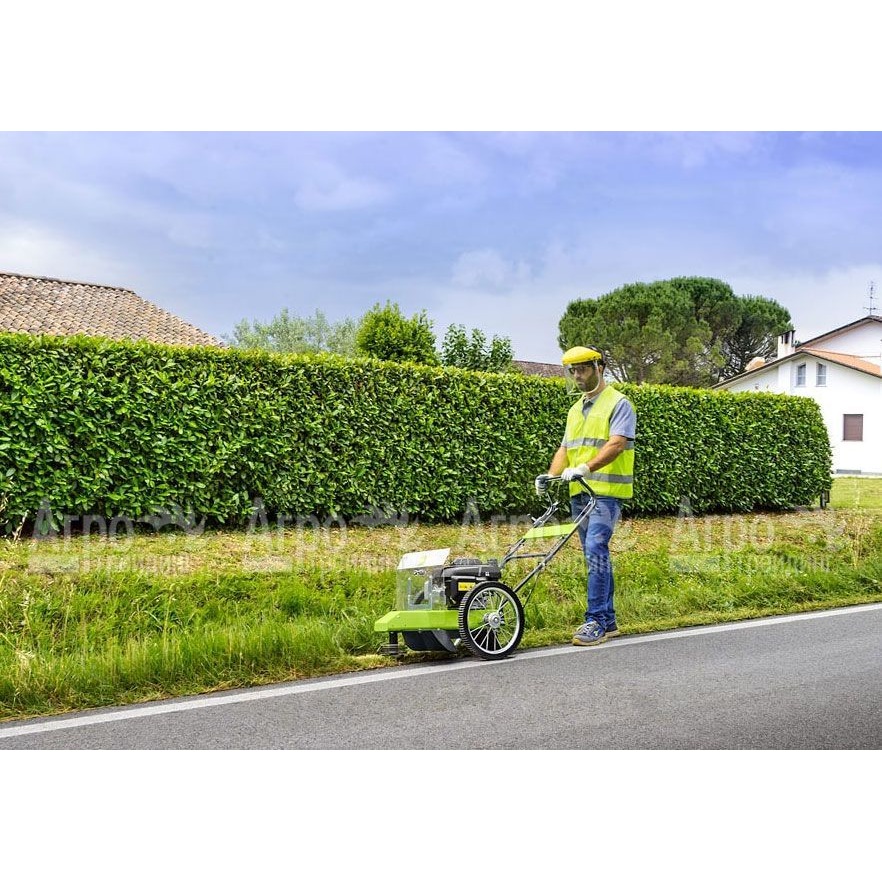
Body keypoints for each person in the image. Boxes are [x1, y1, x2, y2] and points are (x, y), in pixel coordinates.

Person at [536, 345, 636, 646]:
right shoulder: (574, 410)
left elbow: (617, 444)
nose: (577, 376)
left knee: (595, 549)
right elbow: (565, 449)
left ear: (598, 368)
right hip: (579, 493)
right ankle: (609, 621)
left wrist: (585, 468)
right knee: (595, 554)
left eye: (582, 369)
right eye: (573, 371)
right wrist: (550, 476)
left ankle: (595, 620)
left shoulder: (619, 403)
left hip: (605, 492)